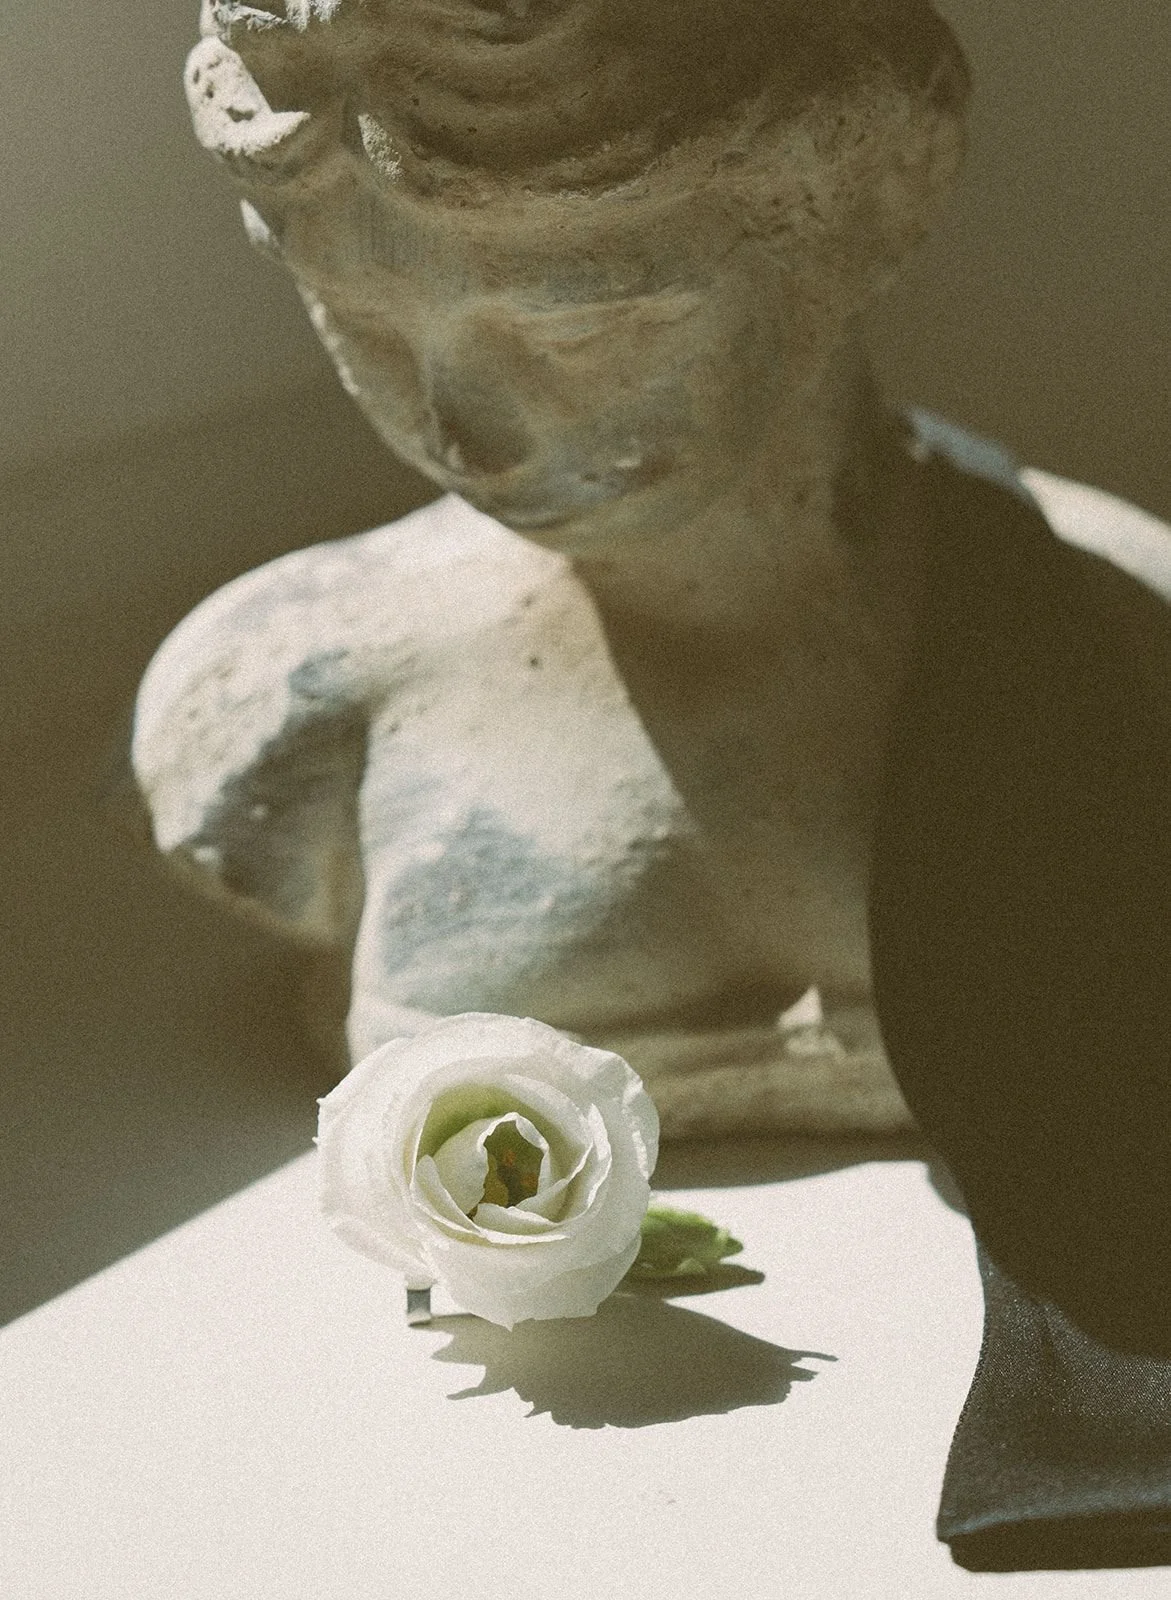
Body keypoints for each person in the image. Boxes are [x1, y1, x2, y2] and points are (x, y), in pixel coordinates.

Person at [138, 0, 1171, 1572]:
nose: (464, 425)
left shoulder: (1117, 638)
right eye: (357, 318)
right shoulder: (278, 708)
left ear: (875, 200)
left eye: (584, 322)